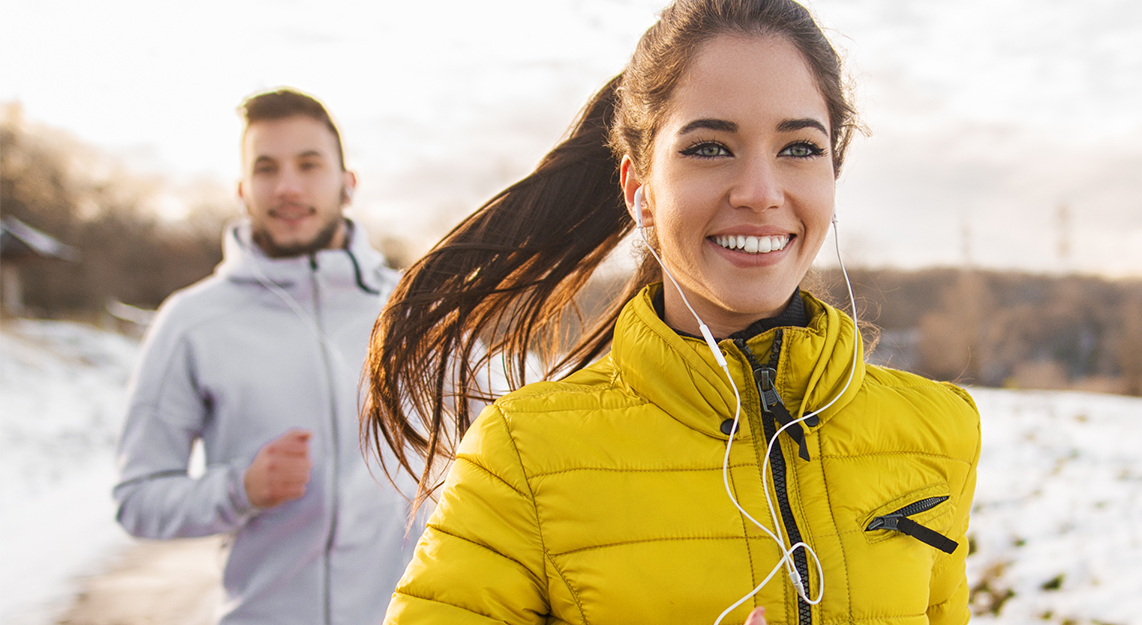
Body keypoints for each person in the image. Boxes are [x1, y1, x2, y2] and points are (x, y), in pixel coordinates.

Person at [362, 1, 981, 623]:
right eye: (710, 148)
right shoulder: (525, 457)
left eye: (799, 148)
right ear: (640, 190)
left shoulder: (936, 432)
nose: (761, 193)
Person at [113, 88, 419, 625]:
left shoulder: (415, 310)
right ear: (242, 191)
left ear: (348, 185)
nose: (288, 187)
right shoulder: (191, 322)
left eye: (309, 164)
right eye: (266, 168)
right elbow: (137, 499)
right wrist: (241, 489)